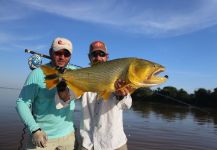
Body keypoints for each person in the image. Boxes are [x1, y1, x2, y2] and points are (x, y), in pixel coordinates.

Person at [16, 37, 77, 150]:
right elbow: (22, 103)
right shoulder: (37, 74)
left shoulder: (76, 73)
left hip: (68, 137)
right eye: (58, 52)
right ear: (50, 52)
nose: (62, 57)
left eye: (66, 54)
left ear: (70, 56)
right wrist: (34, 129)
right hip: (42, 137)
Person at [80, 41, 133, 150]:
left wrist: (120, 95)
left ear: (107, 57)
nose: (98, 58)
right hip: (88, 143)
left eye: (101, 54)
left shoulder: (119, 77)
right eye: (94, 54)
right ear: (89, 57)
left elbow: (126, 105)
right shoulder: (81, 77)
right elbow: (66, 99)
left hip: (115, 144)